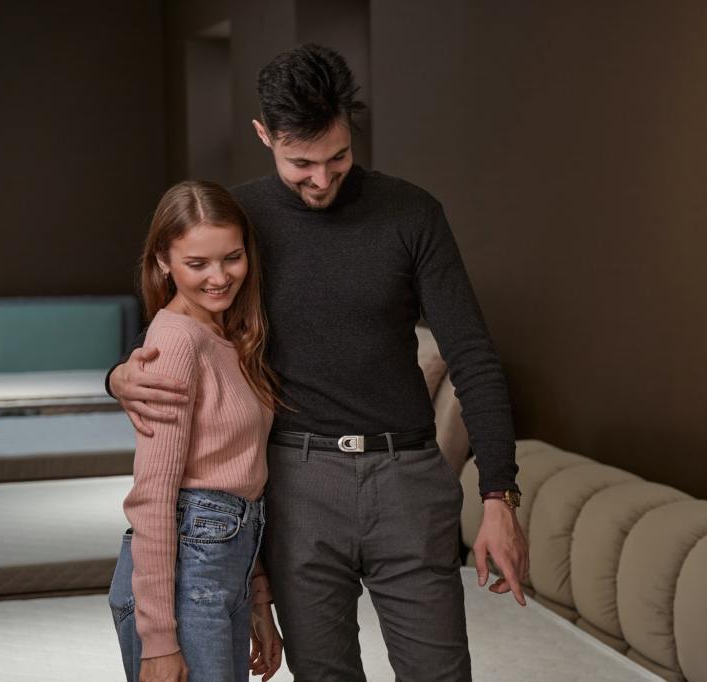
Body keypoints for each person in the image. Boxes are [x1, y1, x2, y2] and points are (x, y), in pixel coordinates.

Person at [108, 45, 528, 681]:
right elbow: (186, 317)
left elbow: (472, 353)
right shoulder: (241, 221)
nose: (321, 179)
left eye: (338, 157)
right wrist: (118, 375)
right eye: (299, 162)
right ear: (263, 135)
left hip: (409, 479)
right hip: (296, 484)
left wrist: (498, 491)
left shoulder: (412, 213)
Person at [107, 180, 284, 682]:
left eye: (231, 257)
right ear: (164, 260)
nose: (220, 277)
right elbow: (154, 498)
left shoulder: (228, 335)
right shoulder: (175, 341)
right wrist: (158, 641)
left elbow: (242, 479)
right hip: (183, 583)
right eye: (197, 263)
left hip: (224, 564)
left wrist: (257, 598)